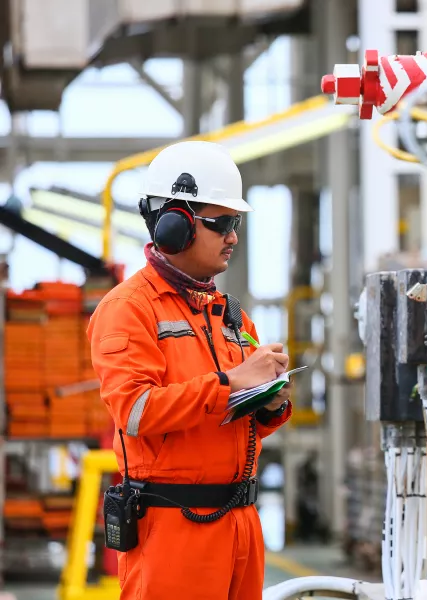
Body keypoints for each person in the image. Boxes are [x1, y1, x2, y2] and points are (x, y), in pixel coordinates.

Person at [87, 140, 293, 600]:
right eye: (221, 224)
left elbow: (235, 420)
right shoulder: (128, 310)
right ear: (173, 227)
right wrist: (232, 382)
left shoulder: (230, 315)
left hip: (241, 527)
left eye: (235, 224)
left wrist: (271, 402)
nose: (233, 237)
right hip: (174, 531)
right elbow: (135, 411)